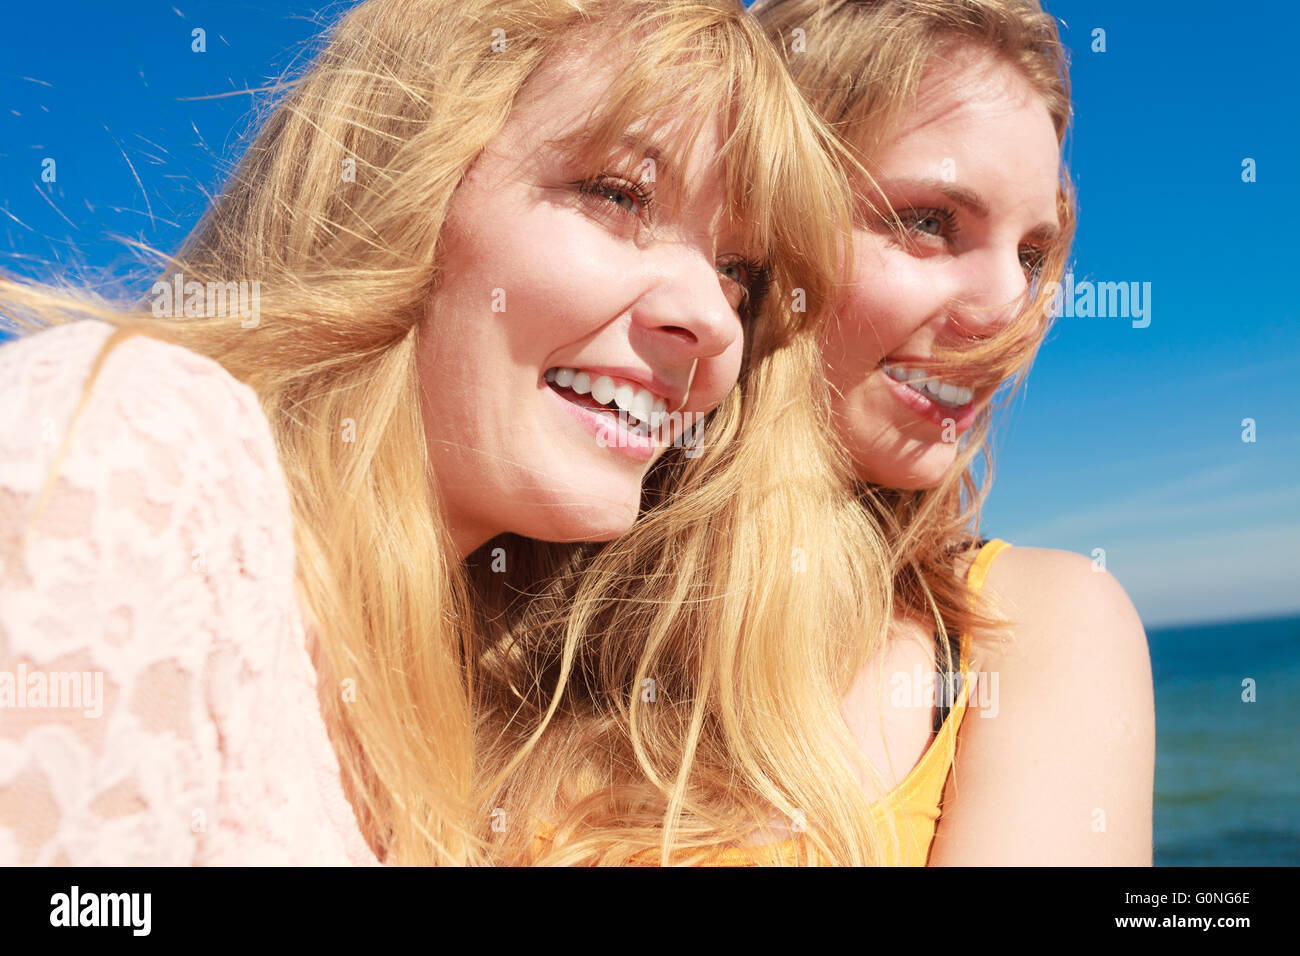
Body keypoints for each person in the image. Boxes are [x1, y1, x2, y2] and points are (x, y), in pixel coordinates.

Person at [0, 0, 885, 865]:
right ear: (395, 182)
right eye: (618, 195)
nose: (716, 322)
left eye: (738, 272)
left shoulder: (467, 685)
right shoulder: (141, 447)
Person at [751, 0, 1156, 864]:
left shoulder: (1027, 635)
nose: (1013, 313)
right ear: (759, 218)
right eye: (931, 221)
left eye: (1032, 255)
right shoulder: (497, 608)